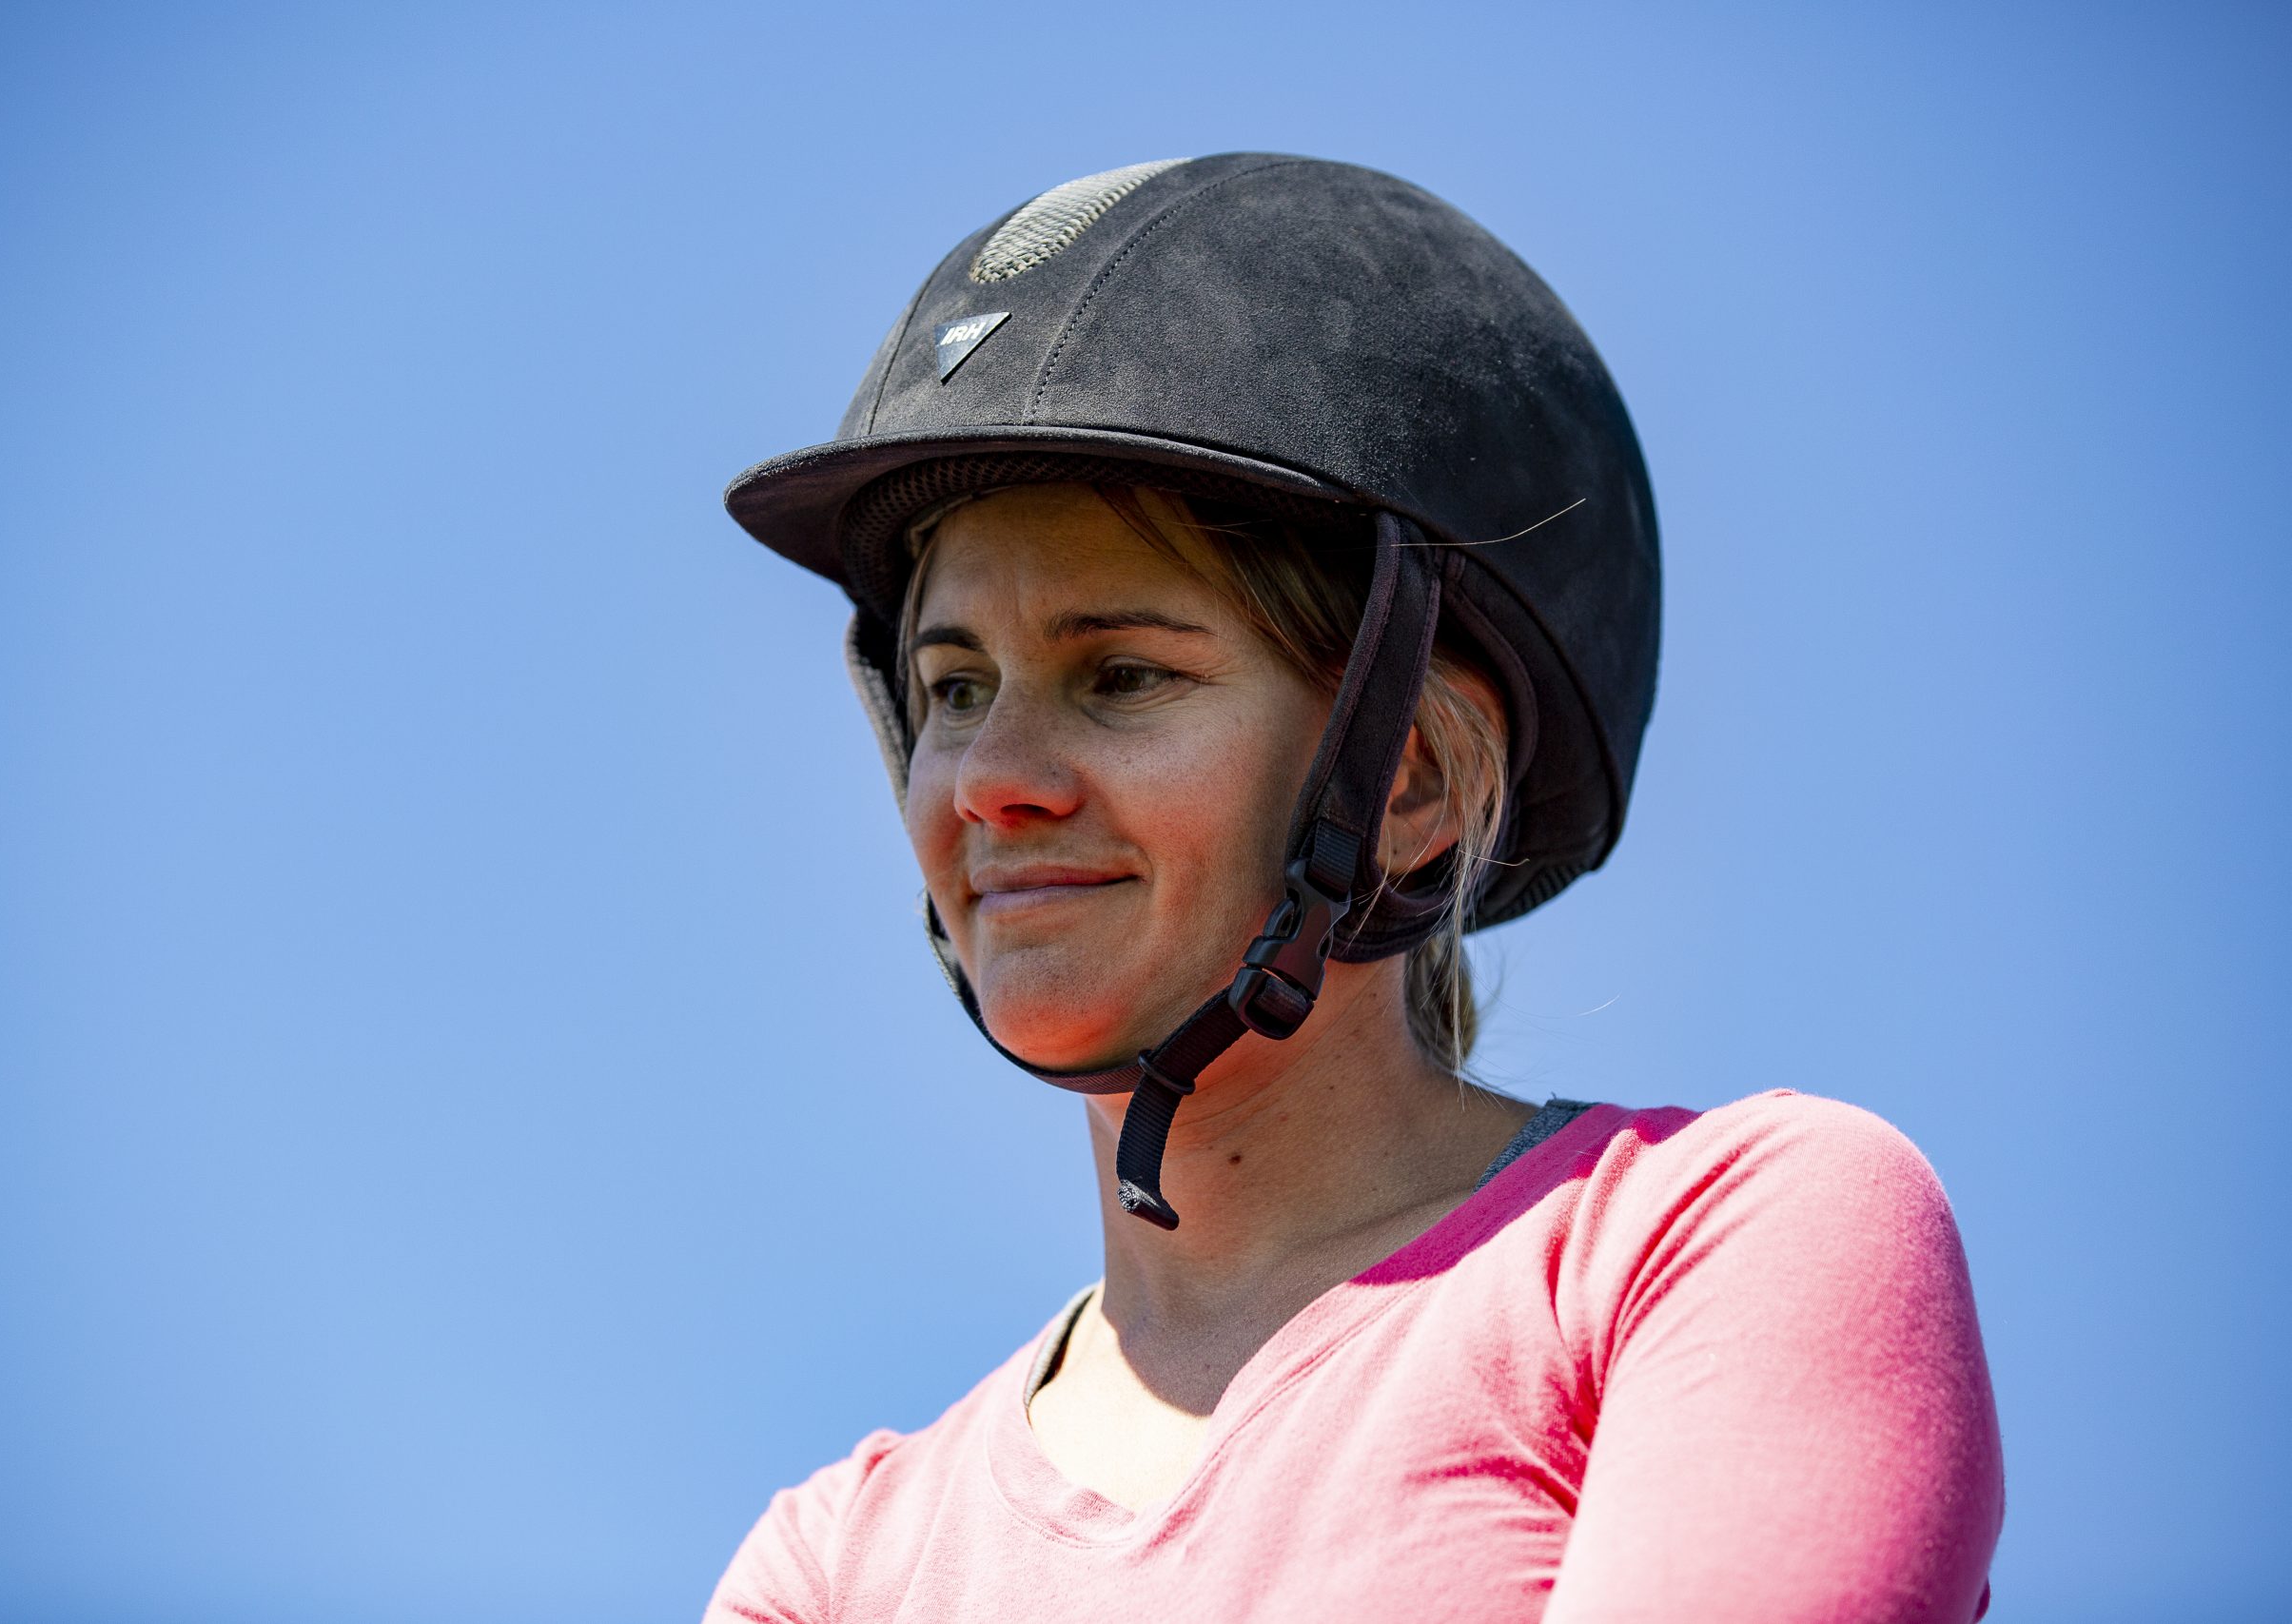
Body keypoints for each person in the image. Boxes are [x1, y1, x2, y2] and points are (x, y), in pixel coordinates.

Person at [708, 155, 2003, 1622]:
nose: (988, 779)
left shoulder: (1711, 1244)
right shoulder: (834, 1565)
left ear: (1411, 779)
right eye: (953, 687)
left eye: (1121, 675)